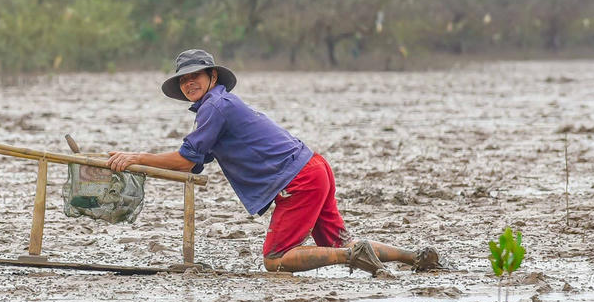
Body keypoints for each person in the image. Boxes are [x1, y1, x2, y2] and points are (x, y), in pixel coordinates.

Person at [107, 49, 439, 276]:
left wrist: (134, 157)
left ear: (211, 76)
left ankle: (352, 256)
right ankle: (413, 256)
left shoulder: (214, 107)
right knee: (339, 241)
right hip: (314, 167)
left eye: (195, 76)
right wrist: (138, 162)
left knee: (275, 259)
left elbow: (184, 159)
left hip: (298, 180)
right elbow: (194, 163)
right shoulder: (219, 105)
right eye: (183, 80)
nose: (189, 83)